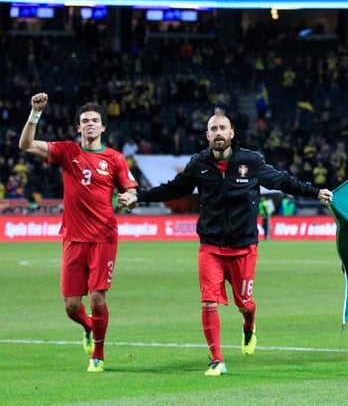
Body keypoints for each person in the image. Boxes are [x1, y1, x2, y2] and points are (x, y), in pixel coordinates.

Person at [117, 108, 332, 376]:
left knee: (245, 303)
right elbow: (173, 188)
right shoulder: (199, 164)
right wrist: (139, 197)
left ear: (232, 133)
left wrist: (314, 192)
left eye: (223, 128)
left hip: (244, 247)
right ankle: (217, 359)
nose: (218, 133)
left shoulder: (250, 162)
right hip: (211, 246)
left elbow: (282, 181)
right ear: (207, 136)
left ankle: (249, 324)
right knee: (208, 301)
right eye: (214, 129)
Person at [19, 92, 138, 373]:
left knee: (97, 297)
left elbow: (131, 191)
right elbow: (25, 145)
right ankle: (88, 327)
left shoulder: (115, 158)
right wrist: (35, 114)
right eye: (85, 121)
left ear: (104, 127)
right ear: (78, 127)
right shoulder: (67, 151)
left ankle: (97, 355)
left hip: (103, 237)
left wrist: (129, 199)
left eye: (95, 121)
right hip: (72, 237)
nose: (90, 125)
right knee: (72, 307)